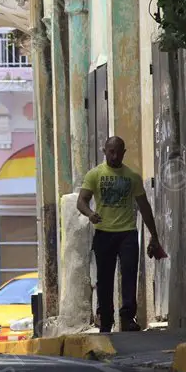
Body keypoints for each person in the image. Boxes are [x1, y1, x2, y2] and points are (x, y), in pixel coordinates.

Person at [77, 136, 166, 334]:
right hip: (104, 234)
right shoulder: (95, 175)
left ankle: (127, 318)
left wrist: (154, 235)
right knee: (105, 278)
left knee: (129, 276)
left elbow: (144, 207)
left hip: (127, 234)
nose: (115, 156)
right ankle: (106, 320)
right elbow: (81, 201)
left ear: (124, 152)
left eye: (118, 152)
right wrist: (90, 214)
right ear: (104, 151)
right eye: (111, 152)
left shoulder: (132, 177)